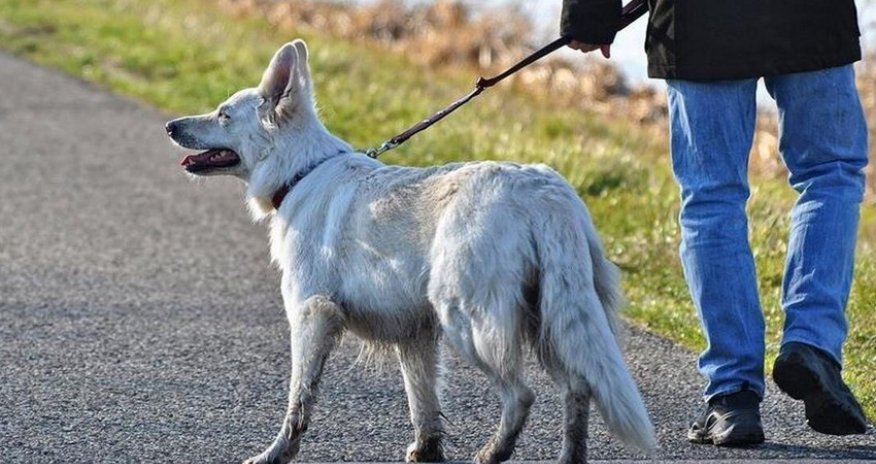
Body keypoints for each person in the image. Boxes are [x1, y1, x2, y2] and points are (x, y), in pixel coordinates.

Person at [561, 0, 870, 446]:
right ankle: (812, 343)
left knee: (712, 197)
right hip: (810, 15)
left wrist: (589, 10)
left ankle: (732, 395)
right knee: (831, 173)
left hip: (699, 22)